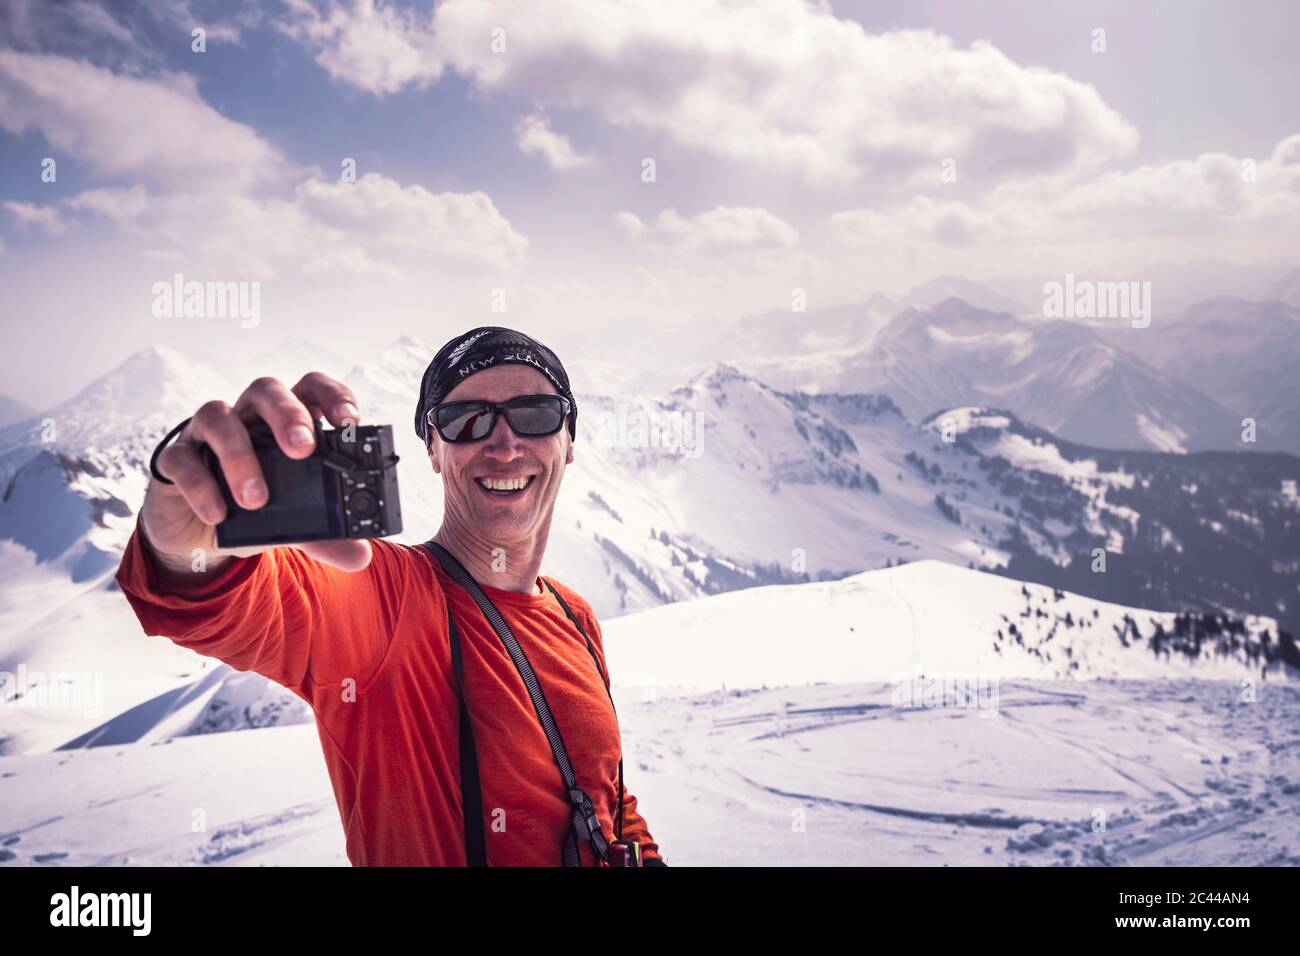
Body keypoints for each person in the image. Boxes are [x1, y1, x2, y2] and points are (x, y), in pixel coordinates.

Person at [115, 326, 665, 867]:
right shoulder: (388, 601)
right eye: (465, 421)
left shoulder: (576, 615)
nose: (504, 444)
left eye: (536, 413)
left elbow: (605, 801)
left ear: (569, 441)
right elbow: (213, 606)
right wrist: (190, 547)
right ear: (432, 449)